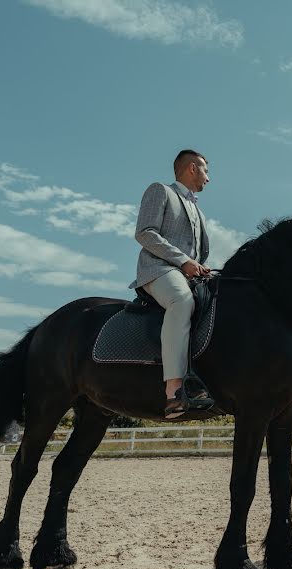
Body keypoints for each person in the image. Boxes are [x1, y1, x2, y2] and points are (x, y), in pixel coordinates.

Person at [130, 149, 214, 419]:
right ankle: (174, 390)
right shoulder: (161, 191)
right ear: (192, 168)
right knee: (181, 300)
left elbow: (198, 253)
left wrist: (200, 267)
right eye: (206, 170)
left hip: (189, 275)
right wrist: (183, 261)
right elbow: (144, 233)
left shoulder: (198, 209)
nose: (208, 178)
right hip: (158, 271)